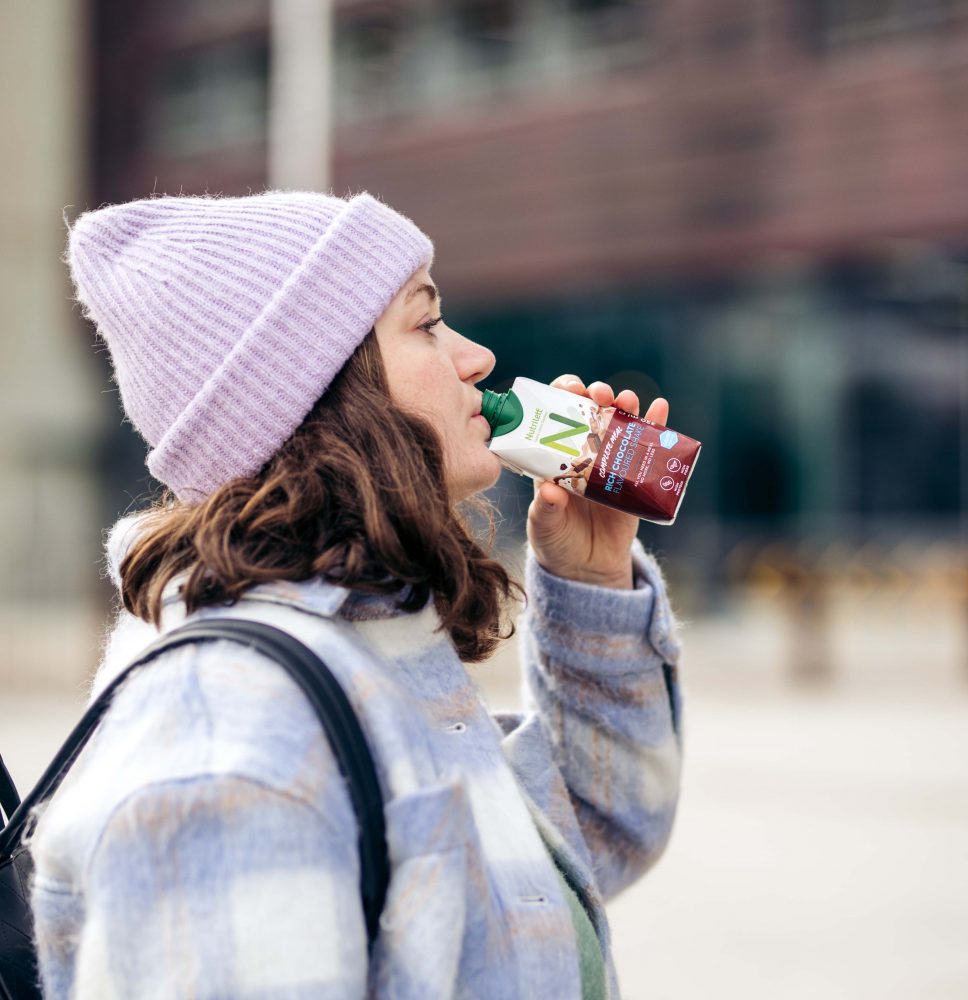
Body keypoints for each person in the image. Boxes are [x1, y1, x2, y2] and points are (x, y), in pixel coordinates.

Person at [30, 191, 683, 999]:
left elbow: (570, 857)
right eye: (426, 323)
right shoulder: (228, 744)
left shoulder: (366, 644)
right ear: (319, 387)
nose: (474, 356)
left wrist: (590, 579)